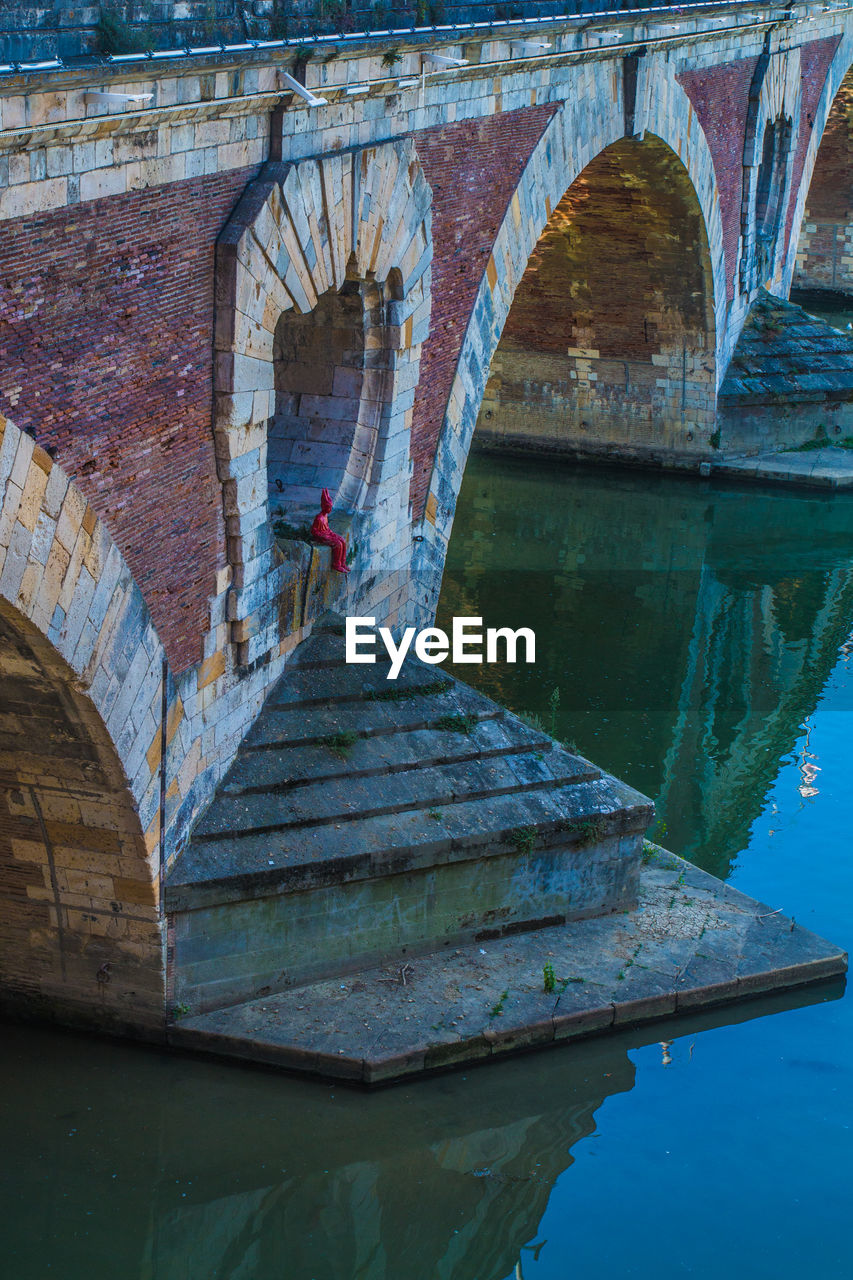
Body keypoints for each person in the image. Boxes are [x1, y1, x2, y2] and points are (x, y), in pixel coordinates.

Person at [310, 488, 350, 573]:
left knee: (342, 540)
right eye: (328, 507)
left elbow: (327, 528)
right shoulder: (319, 518)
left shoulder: (325, 517)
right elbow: (314, 531)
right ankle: (336, 564)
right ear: (324, 507)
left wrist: (331, 533)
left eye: (330, 507)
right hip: (321, 537)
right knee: (338, 544)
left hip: (327, 534)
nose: (330, 509)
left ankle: (342, 562)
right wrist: (322, 535)